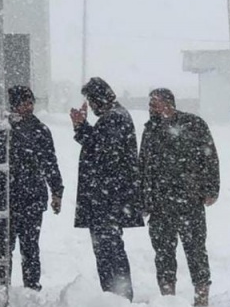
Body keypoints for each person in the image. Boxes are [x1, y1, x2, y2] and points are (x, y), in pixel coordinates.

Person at [0, 85, 64, 291]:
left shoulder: (41, 131)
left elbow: (50, 163)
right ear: (14, 105)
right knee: (3, 249)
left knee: (30, 247)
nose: (30, 106)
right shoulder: (0, 132)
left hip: (31, 199)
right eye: (25, 102)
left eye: (31, 102)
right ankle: (1, 288)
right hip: (4, 198)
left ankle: (31, 288)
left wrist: (57, 191)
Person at [139, 88, 220, 307]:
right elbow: (144, 165)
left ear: (168, 104)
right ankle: (168, 299)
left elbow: (210, 157)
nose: (151, 109)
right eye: (150, 105)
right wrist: (144, 200)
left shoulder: (193, 124)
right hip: (159, 204)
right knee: (163, 253)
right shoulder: (150, 130)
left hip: (189, 201)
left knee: (195, 250)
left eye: (154, 104)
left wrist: (212, 189)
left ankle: (201, 298)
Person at [69, 77, 144, 301]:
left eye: (92, 101)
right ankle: (115, 295)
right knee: (109, 249)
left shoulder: (114, 119)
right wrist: (83, 127)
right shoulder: (115, 117)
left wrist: (81, 127)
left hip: (107, 200)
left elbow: (104, 155)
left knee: (109, 251)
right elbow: (102, 148)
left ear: (100, 98)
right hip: (109, 198)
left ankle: (117, 296)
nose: (91, 107)